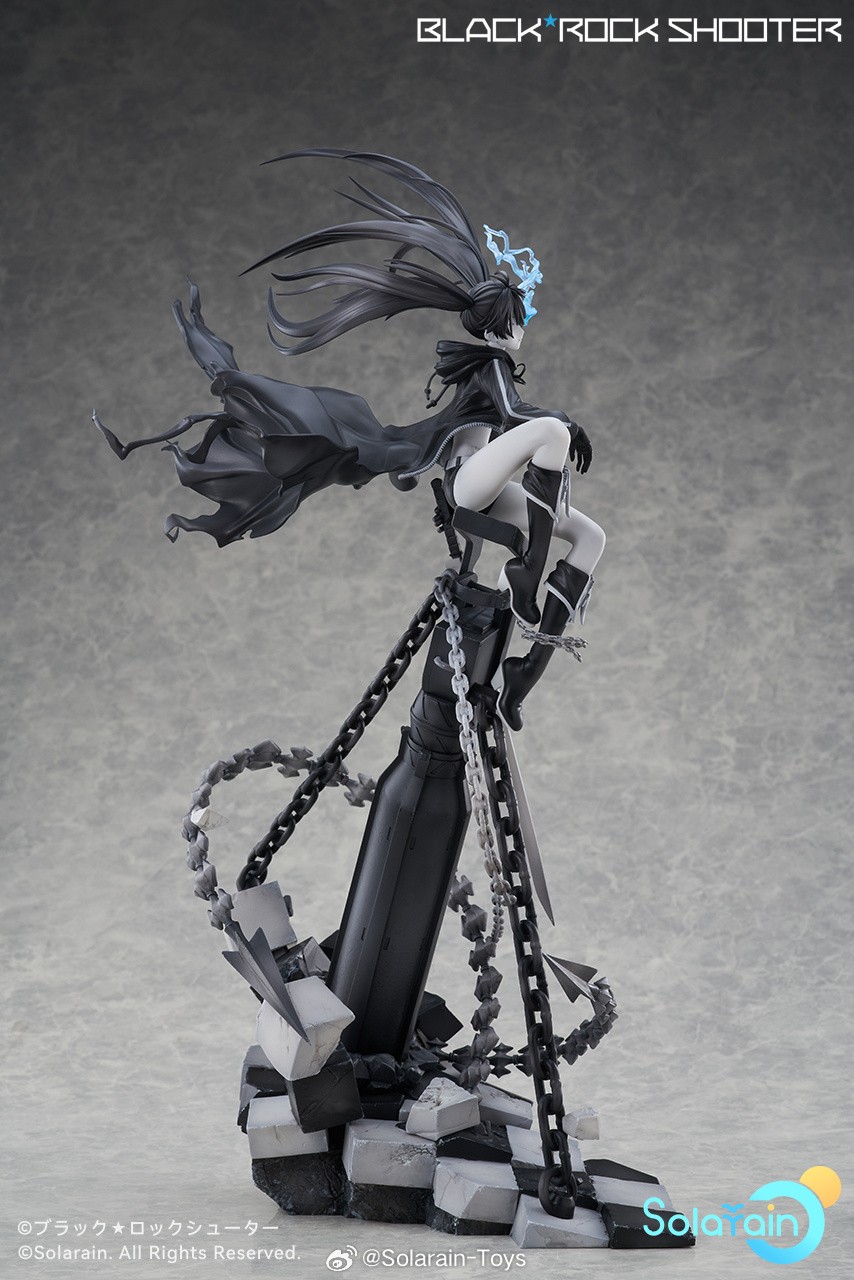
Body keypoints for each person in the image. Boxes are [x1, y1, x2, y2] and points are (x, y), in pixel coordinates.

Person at [95, 150, 605, 728]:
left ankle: (524, 674)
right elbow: (515, 415)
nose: (524, 326)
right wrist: (567, 423)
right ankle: (528, 572)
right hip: (467, 485)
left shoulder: (489, 364)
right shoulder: (489, 364)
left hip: (483, 490)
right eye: (518, 318)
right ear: (499, 326)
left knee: (591, 537)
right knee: (550, 430)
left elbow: (513, 418)